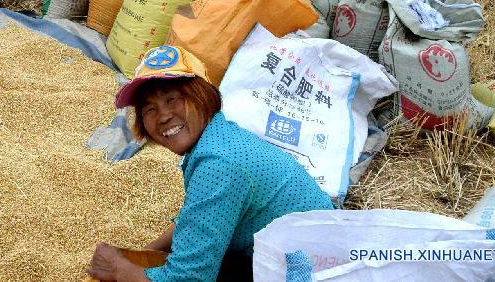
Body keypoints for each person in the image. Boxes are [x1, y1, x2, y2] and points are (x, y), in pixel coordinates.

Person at [87, 46, 334, 282]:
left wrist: (120, 268)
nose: (163, 116)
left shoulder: (218, 162)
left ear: (202, 96)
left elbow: (189, 279)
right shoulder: (218, 137)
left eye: (172, 99)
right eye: (149, 109)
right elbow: (198, 216)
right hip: (306, 250)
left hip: (315, 270)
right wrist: (143, 255)